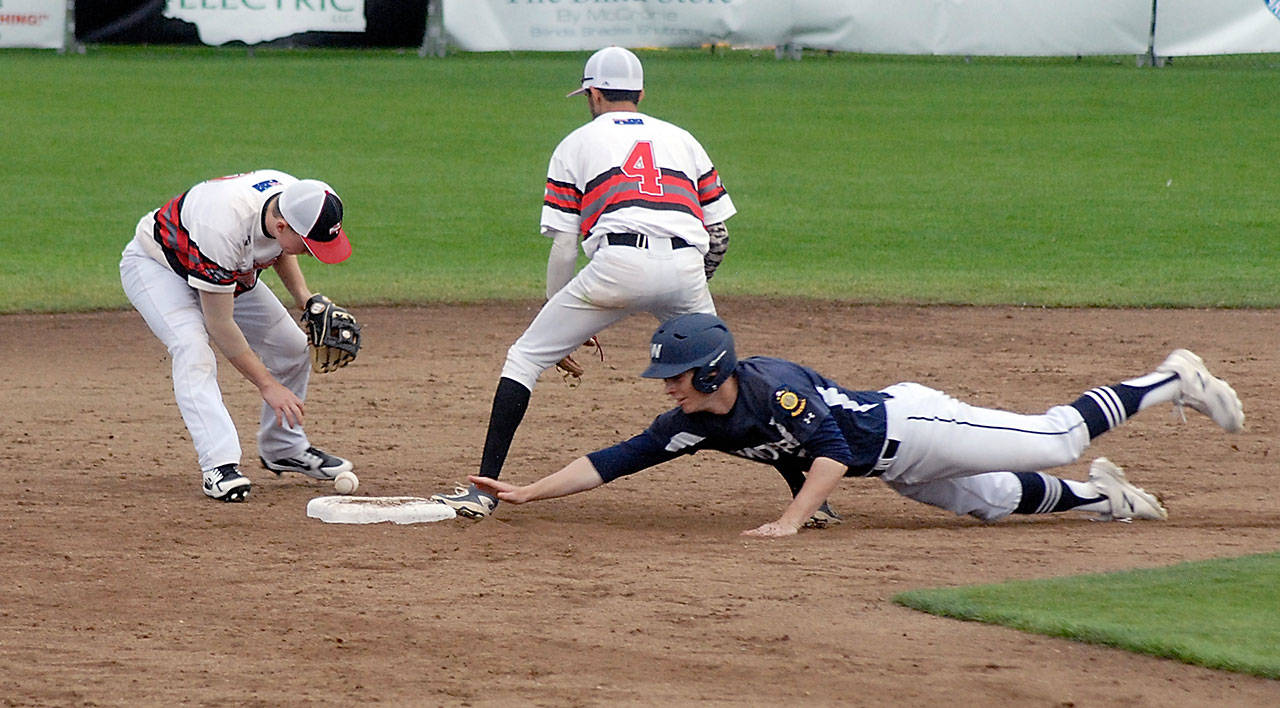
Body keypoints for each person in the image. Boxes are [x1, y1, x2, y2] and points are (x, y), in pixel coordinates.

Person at [469, 313, 1245, 537]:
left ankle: (1172, 376)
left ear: (709, 372)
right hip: (898, 465)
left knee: (1059, 437)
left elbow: (833, 455)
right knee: (988, 503)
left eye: (672, 375)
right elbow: (619, 458)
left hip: (916, 427)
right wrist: (529, 492)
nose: (664, 388)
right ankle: (1108, 501)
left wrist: (790, 520)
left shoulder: (775, 391)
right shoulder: (696, 419)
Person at [431, 46, 740, 519]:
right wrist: (693, 287)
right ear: (640, 93)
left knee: (526, 356)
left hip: (616, 265)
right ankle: (809, 493)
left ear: (593, 93)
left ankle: (483, 491)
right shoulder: (683, 138)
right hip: (686, 268)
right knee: (726, 376)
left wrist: (562, 319)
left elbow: (563, 246)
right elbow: (718, 233)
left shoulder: (576, 142)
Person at [119, 170, 357, 502]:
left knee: (292, 348)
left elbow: (279, 251)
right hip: (158, 267)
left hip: (225, 270)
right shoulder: (223, 226)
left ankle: (283, 448)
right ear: (282, 227)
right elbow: (220, 325)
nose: (312, 252)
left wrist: (306, 299)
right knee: (193, 349)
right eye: (309, 245)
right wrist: (267, 385)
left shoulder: (296, 197)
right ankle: (219, 466)